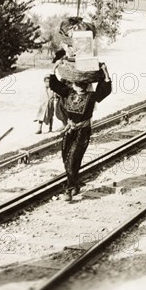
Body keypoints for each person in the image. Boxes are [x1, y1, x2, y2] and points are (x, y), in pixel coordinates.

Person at [49, 63, 112, 200]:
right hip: (70, 130)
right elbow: (55, 85)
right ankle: (75, 184)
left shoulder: (91, 96)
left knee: (72, 159)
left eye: (79, 84)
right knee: (66, 158)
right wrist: (53, 70)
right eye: (77, 84)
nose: (77, 86)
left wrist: (106, 73)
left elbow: (105, 89)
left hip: (82, 132)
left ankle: (69, 189)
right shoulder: (69, 93)